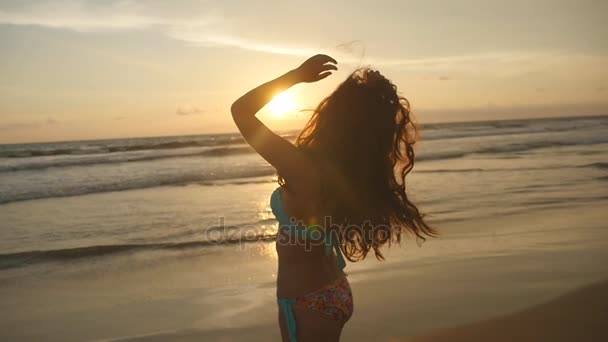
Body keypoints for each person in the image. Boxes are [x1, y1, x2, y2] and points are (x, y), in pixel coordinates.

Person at [231, 54, 436, 342]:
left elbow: (240, 111)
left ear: (334, 115)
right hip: (332, 291)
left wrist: (295, 76)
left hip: (307, 302)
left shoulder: (303, 169)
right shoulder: (347, 173)